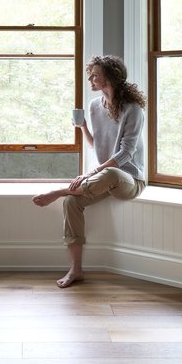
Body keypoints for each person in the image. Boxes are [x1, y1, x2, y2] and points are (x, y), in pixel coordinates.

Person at [32, 55, 147, 288]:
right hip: (102, 178)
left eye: (95, 74)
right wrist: (82, 125)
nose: (90, 78)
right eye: (90, 74)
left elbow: (125, 154)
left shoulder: (133, 110)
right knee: (70, 204)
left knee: (110, 175)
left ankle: (61, 190)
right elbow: (97, 145)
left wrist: (90, 174)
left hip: (129, 179)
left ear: (110, 78)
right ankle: (76, 270)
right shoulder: (95, 106)